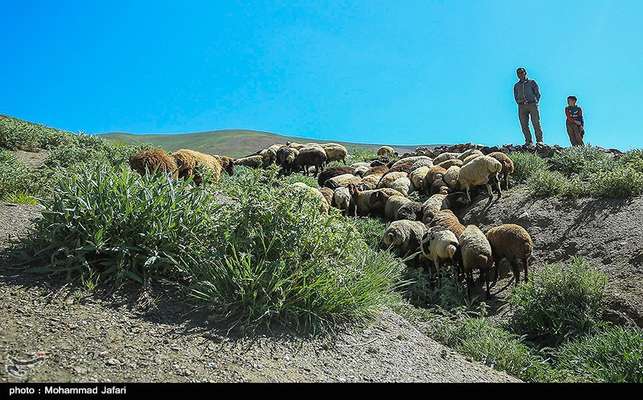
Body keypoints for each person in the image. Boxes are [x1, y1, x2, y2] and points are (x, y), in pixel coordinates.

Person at [513, 67, 543, 146]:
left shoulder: (532, 82)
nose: (520, 74)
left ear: (525, 73)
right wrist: (519, 102)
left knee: (536, 123)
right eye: (518, 73)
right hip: (522, 106)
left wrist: (535, 102)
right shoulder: (516, 85)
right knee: (524, 125)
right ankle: (528, 141)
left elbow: (537, 93)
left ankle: (539, 141)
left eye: (521, 72)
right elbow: (515, 96)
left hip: (532, 104)